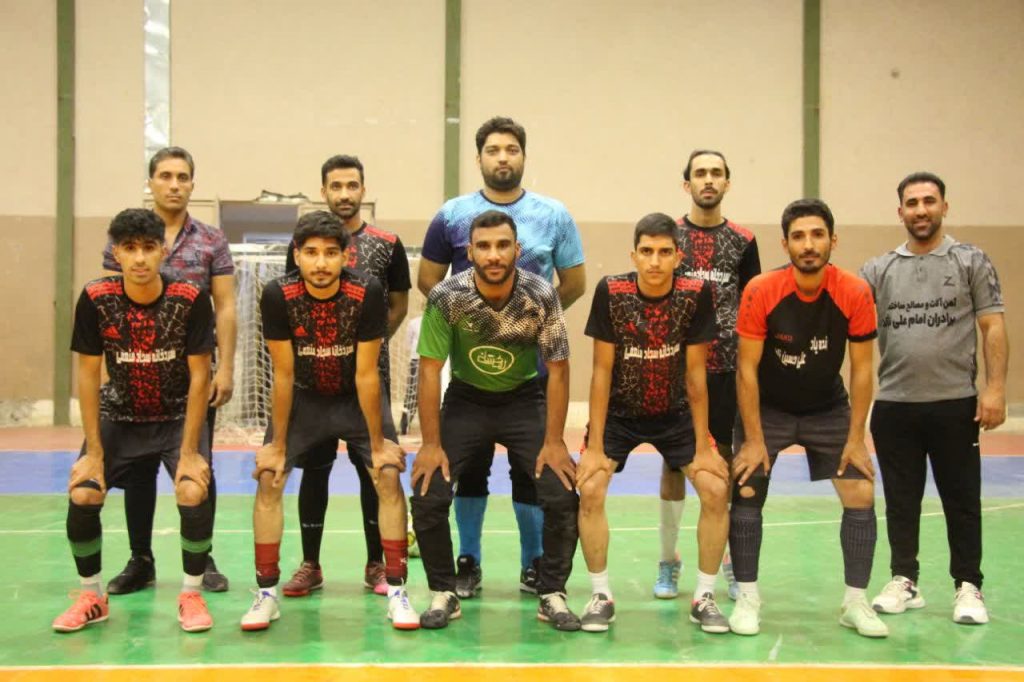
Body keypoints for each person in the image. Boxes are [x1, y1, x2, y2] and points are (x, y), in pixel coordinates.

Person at [417, 116, 585, 598]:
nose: (503, 157)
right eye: (493, 149)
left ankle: (535, 564)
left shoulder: (553, 214)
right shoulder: (452, 214)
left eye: (512, 149)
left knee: (534, 475)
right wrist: (475, 325)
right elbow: (428, 281)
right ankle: (467, 560)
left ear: (524, 156)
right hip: (470, 379)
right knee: (467, 471)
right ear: (479, 158)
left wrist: (525, 324)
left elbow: (573, 283)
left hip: (530, 377)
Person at [240, 211, 417, 631]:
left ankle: (397, 591)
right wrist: (276, 446)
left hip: (354, 397)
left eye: (331, 253)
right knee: (270, 478)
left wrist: (378, 444)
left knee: (387, 474)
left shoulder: (367, 291)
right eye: (312, 253)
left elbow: (367, 373)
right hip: (304, 399)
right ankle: (266, 594)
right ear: (297, 255)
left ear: (345, 256)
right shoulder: (277, 295)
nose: (321, 263)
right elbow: (283, 374)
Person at [727, 198, 888, 638]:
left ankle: (855, 602)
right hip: (768, 408)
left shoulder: (855, 291)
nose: (809, 244)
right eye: (798, 236)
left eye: (817, 235)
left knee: (860, 491)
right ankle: (747, 597)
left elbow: (861, 370)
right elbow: (745, 369)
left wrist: (856, 438)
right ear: (785, 244)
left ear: (833, 240)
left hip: (827, 407)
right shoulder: (761, 289)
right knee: (747, 488)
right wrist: (754, 439)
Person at [54, 208, 216, 633]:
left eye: (148, 248)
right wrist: (93, 452)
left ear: (163, 250)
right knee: (84, 493)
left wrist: (189, 452)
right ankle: (92, 595)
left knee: (192, 489)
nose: (140, 258)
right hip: (120, 414)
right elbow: (88, 375)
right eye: (129, 248)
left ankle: (191, 593)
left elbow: (201, 376)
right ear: (116, 253)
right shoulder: (96, 298)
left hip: (176, 414)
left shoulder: (190, 298)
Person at [860, 172, 1007, 625]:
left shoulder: (970, 260)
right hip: (895, 406)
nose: (920, 209)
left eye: (929, 201)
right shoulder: (878, 270)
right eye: (912, 203)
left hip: (954, 403)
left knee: (961, 500)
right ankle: (904, 579)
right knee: (900, 501)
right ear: (899, 211)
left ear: (944, 206)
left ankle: (968, 585)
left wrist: (995, 389)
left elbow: (992, 326)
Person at [577, 213, 731, 634]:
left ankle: (704, 596)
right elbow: (601, 372)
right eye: (646, 251)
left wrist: (703, 447)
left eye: (665, 252)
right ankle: (601, 595)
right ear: (634, 255)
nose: (655, 261)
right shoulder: (612, 291)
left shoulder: (695, 293)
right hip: (620, 414)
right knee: (590, 487)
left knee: (716, 489)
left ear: (679, 256)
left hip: (675, 413)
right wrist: (594, 447)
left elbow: (696, 374)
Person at [101, 147, 235, 595]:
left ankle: (202, 555)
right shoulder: (127, 234)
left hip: (192, 377)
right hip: (135, 372)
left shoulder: (211, 240)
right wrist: (113, 370)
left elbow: (225, 306)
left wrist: (224, 367)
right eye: (165, 175)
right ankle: (141, 559)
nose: (174, 184)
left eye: (182, 177)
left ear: (193, 184)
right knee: (138, 472)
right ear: (151, 182)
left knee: (198, 466)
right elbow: (109, 302)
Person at [279, 155, 411, 598]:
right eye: (335, 186)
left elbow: (398, 303)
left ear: (363, 189)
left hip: (367, 379)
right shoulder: (302, 243)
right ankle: (310, 564)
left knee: (375, 469)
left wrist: (366, 345)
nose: (344, 194)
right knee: (314, 471)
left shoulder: (387, 244)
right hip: (313, 379)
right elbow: (292, 299)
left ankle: (377, 564)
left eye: (352, 185)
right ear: (323, 191)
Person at [658, 150, 760, 600]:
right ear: (687, 184)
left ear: (727, 183)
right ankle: (668, 560)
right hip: (679, 371)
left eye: (716, 173)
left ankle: (731, 561)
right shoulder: (671, 236)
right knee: (674, 465)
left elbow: (755, 306)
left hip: (728, 372)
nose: (708, 180)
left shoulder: (743, 240)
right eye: (700, 173)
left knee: (729, 465)